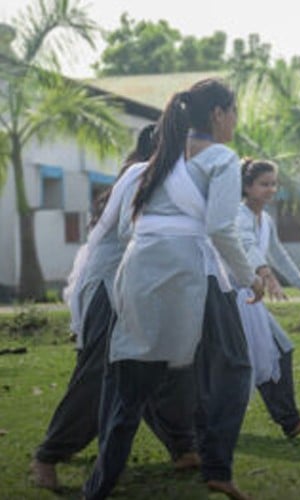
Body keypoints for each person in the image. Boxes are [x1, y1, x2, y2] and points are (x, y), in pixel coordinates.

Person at [82, 79, 259, 500]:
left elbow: (128, 228)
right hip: (189, 271)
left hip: (139, 270)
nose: (235, 120)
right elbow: (220, 227)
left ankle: (97, 489)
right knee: (233, 365)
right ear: (218, 114)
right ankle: (217, 466)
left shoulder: (158, 162)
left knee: (131, 388)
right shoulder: (221, 158)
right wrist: (249, 276)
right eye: (234, 111)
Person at [30, 124, 199, 491]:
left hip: (141, 285)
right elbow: (131, 233)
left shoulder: (170, 178)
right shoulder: (139, 177)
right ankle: (49, 454)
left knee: (152, 367)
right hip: (111, 285)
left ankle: (181, 445)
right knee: (98, 374)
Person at [235, 158, 300, 438]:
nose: (271, 189)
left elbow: (279, 255)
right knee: (264, 355)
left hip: (251, 299)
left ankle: (290, 421)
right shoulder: (239, 216)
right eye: (264, 184)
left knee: (275, 352)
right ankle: (289, 420)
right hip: (236, 297)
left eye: (274, 184)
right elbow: (246, 246)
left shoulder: (266, 220)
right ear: (248, 187)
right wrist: (266, 275)